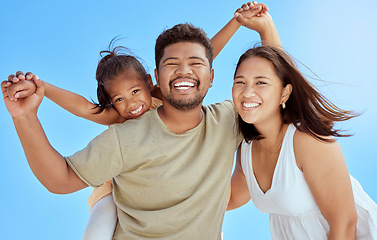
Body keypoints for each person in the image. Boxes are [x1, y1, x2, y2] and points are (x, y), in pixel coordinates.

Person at [2, 2, 282, 239]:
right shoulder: (124, 136)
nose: (184, 70)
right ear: (158, 77)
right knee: (101, 216)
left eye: (196, 65)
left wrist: (261, 28)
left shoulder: (228, 120)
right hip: (115, 193)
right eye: (171, 64)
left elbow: (276, 96)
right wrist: (27, 114)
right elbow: (63, 171)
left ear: (210, 76)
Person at [227, 45, 377, 239]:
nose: (247, 92)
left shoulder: (307, 141)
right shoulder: (247, 147)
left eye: (261, 83)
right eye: (240, 82)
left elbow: (345, 225)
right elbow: (232, 197)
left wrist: (266, 27)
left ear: (284, 93)